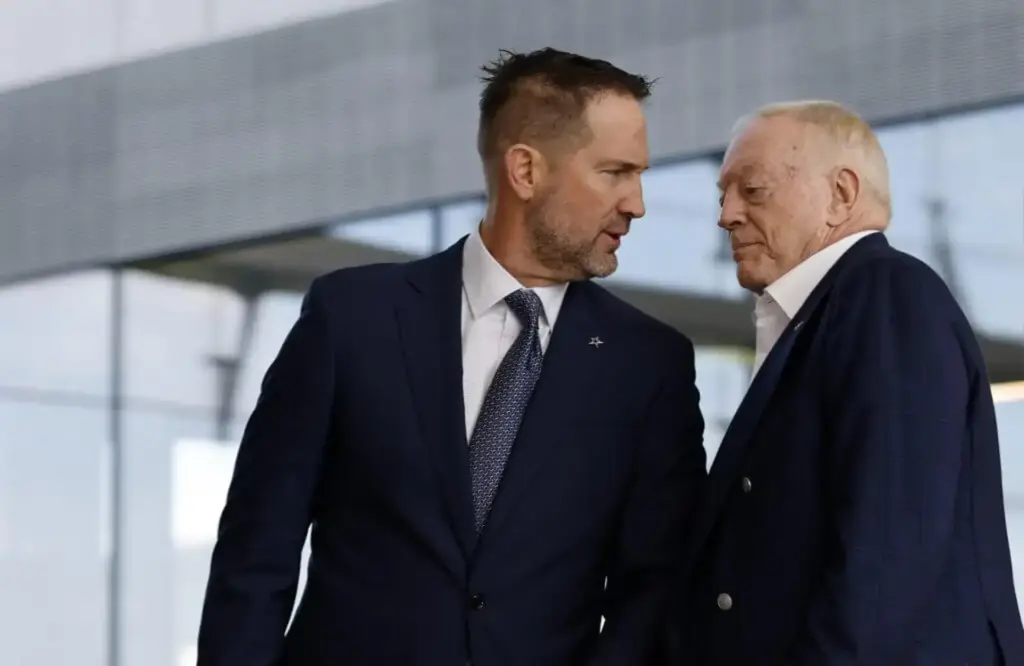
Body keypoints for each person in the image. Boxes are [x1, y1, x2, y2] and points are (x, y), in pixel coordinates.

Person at [197, 47, 706, 666]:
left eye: (640, 174)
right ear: (525, 170)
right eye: (615, 172)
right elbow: (256, 554)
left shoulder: (650, 366)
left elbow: (653, 592)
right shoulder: (352, 318)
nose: (637, 202)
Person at [673, 100, 1024, 665]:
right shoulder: (829, 314)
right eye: (722, 194)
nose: (726, 215)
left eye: (753, 190)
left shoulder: (885, 295)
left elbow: (886, 559)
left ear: (840, 195)